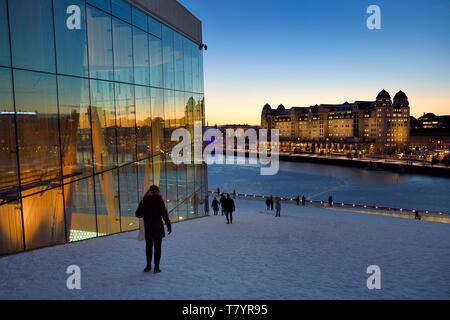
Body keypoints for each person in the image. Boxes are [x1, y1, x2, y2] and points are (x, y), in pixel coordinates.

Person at [135, 185, 172, 274]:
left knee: (148, 247)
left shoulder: (144, 200)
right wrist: (168, 225)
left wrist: (145, 212)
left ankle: (148, 265)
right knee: (158, 247)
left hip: (148, 228)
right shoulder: (160, 200)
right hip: (158, 228)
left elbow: (138, 214)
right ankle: (156, 267)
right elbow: (164, 214)